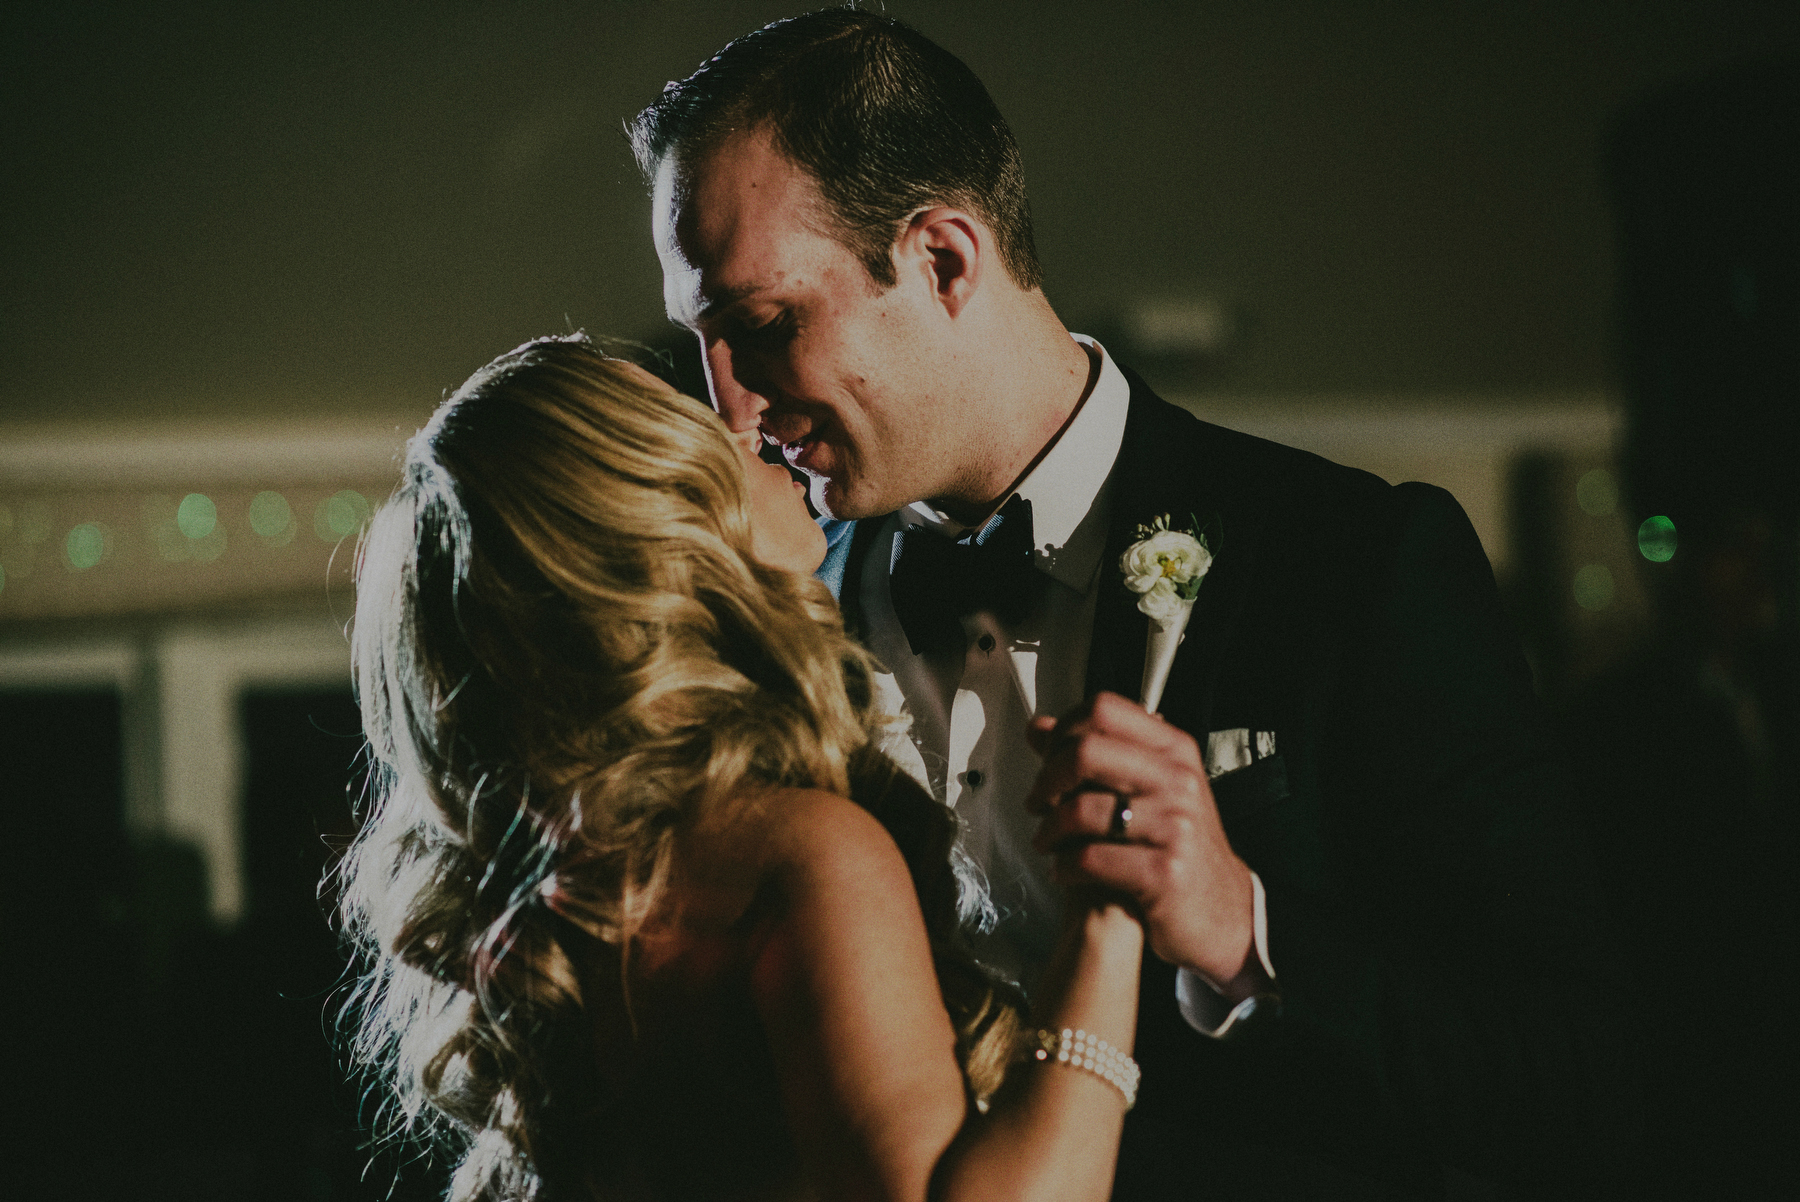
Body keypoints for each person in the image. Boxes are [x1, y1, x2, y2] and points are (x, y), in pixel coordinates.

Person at [631, 8, 1635, 1198]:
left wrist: (1240, 925)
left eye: (761, 328)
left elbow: (1576, 1073)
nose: (732, 409)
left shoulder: (1349, 563)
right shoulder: (783, 611)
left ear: (945, 260)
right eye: (707, 345)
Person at [338, 334, 1148, 1201]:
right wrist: (1110, 920)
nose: (747, 429)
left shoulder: (585, 887)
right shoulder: (796, 853)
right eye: (695, 422)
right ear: (652, 520)